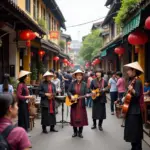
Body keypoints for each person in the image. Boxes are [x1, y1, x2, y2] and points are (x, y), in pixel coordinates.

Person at [124, 62, 144, 150]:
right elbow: (127, 95)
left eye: (129, 70)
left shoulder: (138, 81)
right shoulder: (130, 81)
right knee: (131, 131)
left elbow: (138, 95)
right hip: (129, 109)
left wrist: (132, 90)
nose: (127, 72)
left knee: (135, 132)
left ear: (134, 71)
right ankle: (133, 147)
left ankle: (137, 148)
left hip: (135, 111)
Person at [67, 69, 88, 138]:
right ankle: (75, 132)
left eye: (80, 75)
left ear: (82, 76)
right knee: (73, 117)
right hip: (74, 104)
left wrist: (88, 95)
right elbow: (68, 91)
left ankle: (80, 132)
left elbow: (87, 92)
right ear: (75, 76)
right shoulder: (72, 83)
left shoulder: (84, 84)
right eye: (77, 75)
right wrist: (71, 96)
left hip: (81, 104)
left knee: (82, 118)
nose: (79, 76)